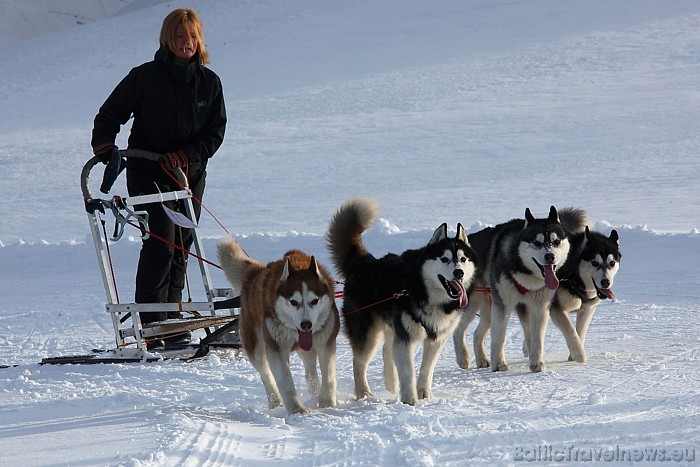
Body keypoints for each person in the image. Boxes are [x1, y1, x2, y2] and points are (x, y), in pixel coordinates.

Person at [91, 8, 227, 349]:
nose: (187, 43)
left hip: (188, 175)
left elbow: (215, 133)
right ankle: (152, 325)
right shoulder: (145, 77)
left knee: (182, 245)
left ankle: (172, 322)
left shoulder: (209, 83)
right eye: (180, 37)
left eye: (192, 37)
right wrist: (105, 144)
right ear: (168, 40)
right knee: (162, 243)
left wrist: (188, 154)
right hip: (148, 170)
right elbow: (109, 114)